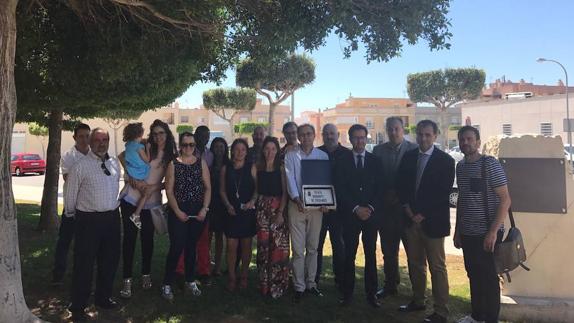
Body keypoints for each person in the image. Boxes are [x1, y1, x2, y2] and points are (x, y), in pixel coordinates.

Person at [397, 120, 455, 323]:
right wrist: (408, 209)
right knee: (415, 264)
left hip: (433, 223)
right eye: (420, 134)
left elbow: (443, 193)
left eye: (428, 135)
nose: (423, 138)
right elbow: (401, 185)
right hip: (410, 220)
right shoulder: (409, 157)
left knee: (437, 267)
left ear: (435, 136)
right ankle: (418, 300)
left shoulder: (446, 161)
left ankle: (441, 311)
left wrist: (423, 213)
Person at [454, 126, 511, 323]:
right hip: (468, 232)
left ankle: (491, 319)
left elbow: (505, 199)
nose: (465, 143)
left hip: (488, 231)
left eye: (470, 139)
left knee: (488, 278)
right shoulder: (460, 167)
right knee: (473, 274)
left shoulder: (490, 165)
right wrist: (457, 231)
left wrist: (493, 232)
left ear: (478, 142)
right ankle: (477, 316)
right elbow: (462, 199)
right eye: (462, 139)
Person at [65, 128, 121, 322]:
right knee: (84, 263)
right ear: (90, 141)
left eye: (105, 139)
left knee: (110, 261)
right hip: (87, 220)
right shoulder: (80, 166)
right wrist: (73, 215)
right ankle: (78, 303)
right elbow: (70, 196)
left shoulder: (114, 163)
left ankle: (103, 298)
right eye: (97, 140)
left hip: (112, 219)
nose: (101, 143)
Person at [118, 119, 177, 298]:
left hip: (151, 203)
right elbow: (122, 156)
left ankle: (146, 275)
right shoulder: (143, 145)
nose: (158, 136)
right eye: (155, 133)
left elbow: (170, 181)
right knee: (129, 240)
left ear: (167, 134)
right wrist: (130, 176)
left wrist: (154, 187)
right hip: (130, 200)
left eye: (162, 133)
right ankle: (126, 280)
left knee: (147, 241)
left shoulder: (171, 155)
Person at [335, 124, 383, 308]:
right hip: (350, 215)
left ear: (367, 138)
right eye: (356, 137)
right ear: (350, 139)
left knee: (371, 255)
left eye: (362, 137)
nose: (359, 140)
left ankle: (372, 295)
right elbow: (340, 188)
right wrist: (355, 208)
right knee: (349, 255)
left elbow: (380, 189)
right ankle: (347, 294)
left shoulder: (375, 161)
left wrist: (369, 208)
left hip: (371, 217)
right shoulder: (342, 160)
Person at [161, 132, 211, 301]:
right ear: (180, 146)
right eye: (185, 144)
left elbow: (208, 188)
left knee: (191, 247)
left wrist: (204, 209)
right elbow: (169, 190)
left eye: (191, 145)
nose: (188, 148)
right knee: (177, 247)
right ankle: (167, 283)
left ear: (195, 146)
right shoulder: (173, 164)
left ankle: (190, 280)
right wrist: (177, 211)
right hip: (179, 211)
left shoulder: (201, 163)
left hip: (197, 212)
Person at [372, 117, 418, 299]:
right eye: (390, 129)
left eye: (396, 129)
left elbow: (415, 180)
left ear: (403, 129)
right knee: (388, 252)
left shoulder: (414, 149)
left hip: (407, 210)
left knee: (413, 253)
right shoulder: (377, 151)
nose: (393, 132)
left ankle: (418, 290)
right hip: (386, 210)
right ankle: (390, 285)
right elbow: (376, 179)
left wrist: (400, 196)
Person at [284, 124, 329, 302]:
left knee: (313, 248)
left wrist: (326, 202)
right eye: (302, 135)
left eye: (309, 134)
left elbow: (325, 182)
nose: (305, 137)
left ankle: (311, 284)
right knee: (297, 249)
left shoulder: (322, 156)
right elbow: (290, 179)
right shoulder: (290, 155)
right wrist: (296, 199)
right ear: (298, 137)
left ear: (314, 135)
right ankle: (299, 286)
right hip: (296, 207)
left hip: (317, 209)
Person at [51, 122, 91, 285]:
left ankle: (80, 276)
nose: (84, 139)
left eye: (87, 136)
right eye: (81, 136)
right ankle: (58, 276)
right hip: (72, 207)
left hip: (89, 208)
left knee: (85, 245)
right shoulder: (68, 156)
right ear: (75, 137)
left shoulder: (94, 154)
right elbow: (70, 178)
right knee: (64, 243)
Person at [253, 136, 289, 298]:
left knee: (278, 249)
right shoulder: (257, 168)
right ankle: (264, 285)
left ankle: (278, 286)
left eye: (273, 149)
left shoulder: (281, 168)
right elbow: (255, 191)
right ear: (263, 150)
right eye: (267, 149)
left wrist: (280, 213)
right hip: (261, 210)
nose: (270, 152)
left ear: (277, 150)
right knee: (263, 249)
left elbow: (285, 192)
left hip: (278, 210)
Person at [220, 138, 257, 291]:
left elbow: (257, 189)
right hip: (231, 211)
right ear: (232, 151)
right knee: (231, 246)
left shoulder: (251, 167)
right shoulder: (225, 168)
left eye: (243, 149)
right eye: (237, 149)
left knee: (246, 246)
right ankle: (232, 277)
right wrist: (228, 205)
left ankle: (244, 276)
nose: (240, 152)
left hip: (247, 211)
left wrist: (253, 201)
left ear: (246, 152)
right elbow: (222, 190)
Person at [316, 123, 348, 289]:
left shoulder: (347, 154)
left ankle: (340, 279)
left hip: (339, 209)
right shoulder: (316, 153)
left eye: (332, 133)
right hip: (319, 208)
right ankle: (314, 278)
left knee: (339, 244)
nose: (329, 136)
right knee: (316, 244)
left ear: (338, 134)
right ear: (322, 135)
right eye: (326, 133)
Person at [194, 125, 214, 284]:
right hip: (187, 200)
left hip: (204, 200)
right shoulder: (187, 152)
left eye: (207, 136)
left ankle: (203, 270)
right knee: (185, 237)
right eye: (201, 135)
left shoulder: (210, 155)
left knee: (203, 238)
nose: (204, 138)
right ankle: (182, 270)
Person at [122, 122, 151, 229]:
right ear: (139, 134)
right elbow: (147, 160)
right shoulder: (139, 147)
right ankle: (136, 214)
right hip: (139, 173)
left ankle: (125, 191)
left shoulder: (128, 145)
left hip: (131, 171)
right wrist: (147, 148)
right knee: (147, 192)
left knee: (145, 192)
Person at [207, 137, 229, 277]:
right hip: (210, 203)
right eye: (216, 147)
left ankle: (218, 267)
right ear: (212, 149)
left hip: (223, 205)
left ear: (225, 149)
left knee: (220, 236)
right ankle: (207, 264)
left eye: (222, 147)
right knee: (207, 236)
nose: (219, 149)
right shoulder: (209, 165)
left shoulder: (230, 165)